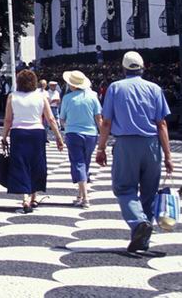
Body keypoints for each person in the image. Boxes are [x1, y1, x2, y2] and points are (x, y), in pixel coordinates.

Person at [95, 51, 174, 253]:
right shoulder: (154, 89)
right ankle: (142, 240)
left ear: (123, 68)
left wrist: (101, 147)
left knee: (124, 189)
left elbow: (106, 122)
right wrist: (168, 155)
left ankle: (138, 223)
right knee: (148, 193)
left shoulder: (115, 88)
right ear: (143, 67)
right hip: (152, 144)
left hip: (126, 145)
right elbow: (162, 123)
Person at [1, 69, 64, 213]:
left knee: (20, 163)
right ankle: (34, 196)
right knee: (36, 163)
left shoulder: (12, 96)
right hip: (37, 133)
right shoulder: (41, 97)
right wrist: (58, 138)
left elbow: (8, 119)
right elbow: (51, 119)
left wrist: (4, 136)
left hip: (18, 133)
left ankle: (25, 198)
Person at [59, 70, 102, 208]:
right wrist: (103, 138)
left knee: (78, 163)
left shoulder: (67, 98)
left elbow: (62, 119)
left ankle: (85, 197)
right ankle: (80, 194)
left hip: (73, 133)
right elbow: (98, 118)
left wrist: (67, 127)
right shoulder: (93, 97)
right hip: (91, 134)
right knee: (85, 163)